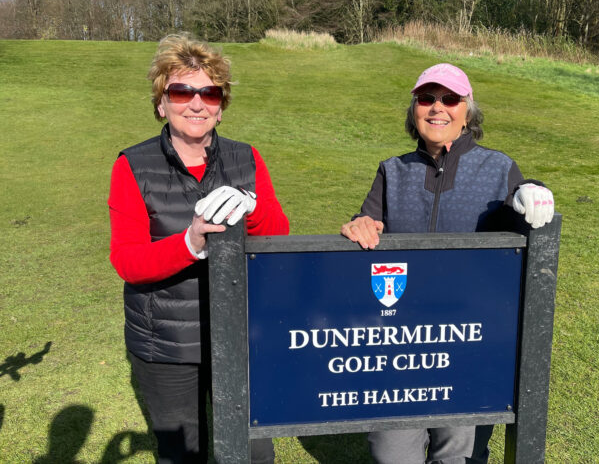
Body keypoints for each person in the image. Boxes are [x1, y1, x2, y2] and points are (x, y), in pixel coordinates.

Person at [340, 63, 555, 464]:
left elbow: (519, 209)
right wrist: (360, 225)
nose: (437, 107)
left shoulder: (498, 168)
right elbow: (367, 222)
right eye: (427, 98)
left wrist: (535, 190)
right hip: (398, 343)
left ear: (467, 111)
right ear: (414, 110)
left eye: (450, 99)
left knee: (459, 454)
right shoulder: (392, 170)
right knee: (392, 453)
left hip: (469, 340)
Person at [108, 33, 288, 463]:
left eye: (209, 92)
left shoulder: (248, 158)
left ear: (221, 107)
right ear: (161, 103)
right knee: (183, 453)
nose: (196, 103)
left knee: (253, 452)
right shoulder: (132, 165)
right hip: (167, 342)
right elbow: (128, 261)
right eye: (181, 91)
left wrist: (254, 209)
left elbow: (277, 236)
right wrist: (190, 242)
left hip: (241, 331)